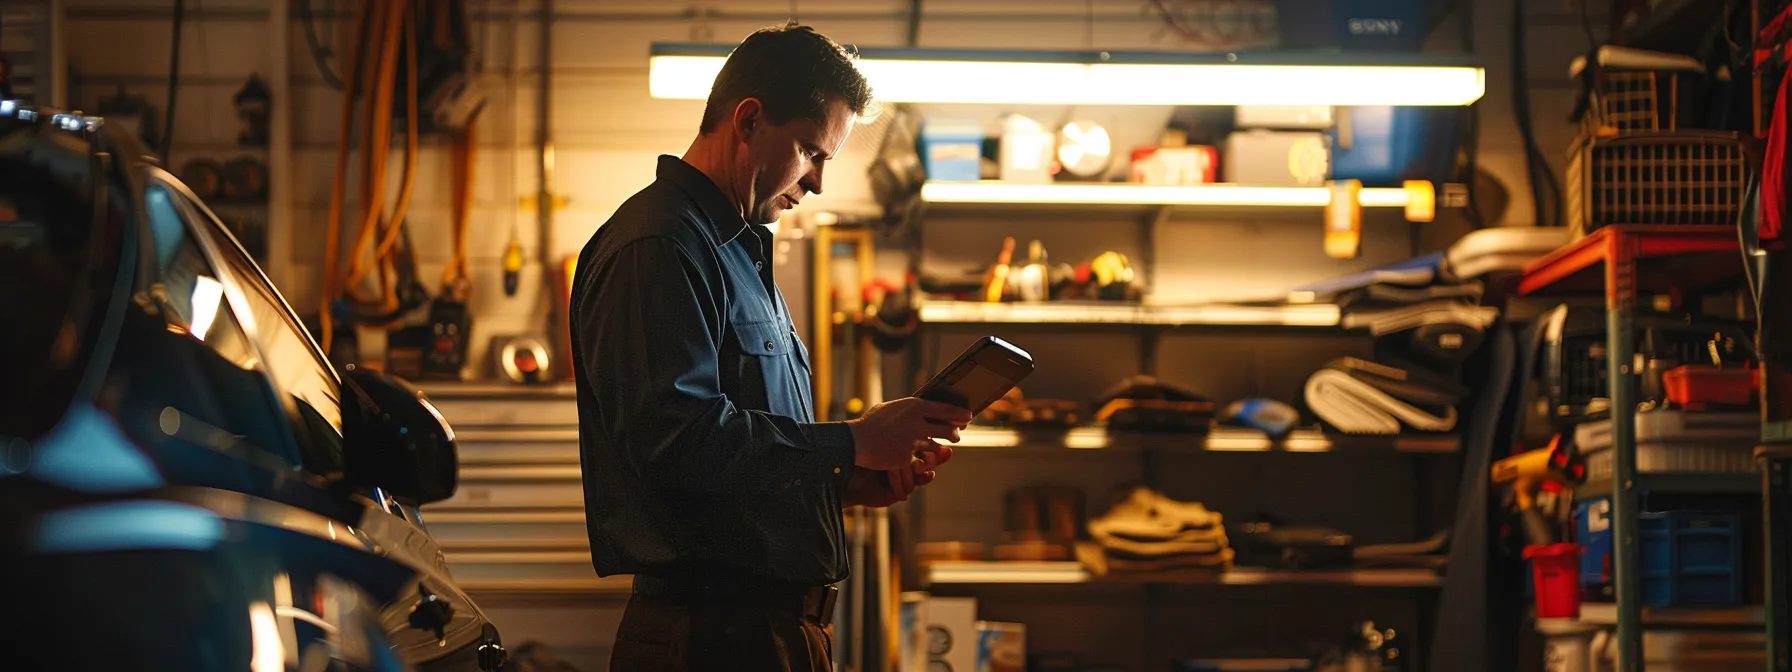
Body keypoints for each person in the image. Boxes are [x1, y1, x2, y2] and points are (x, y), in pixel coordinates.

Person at [569, 23, 975, 671]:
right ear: (750, 119)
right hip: (712, 642)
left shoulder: (740, 251)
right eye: (813, 153)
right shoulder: (660, 248)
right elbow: (678, 448)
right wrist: (851, 440)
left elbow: (737, 458)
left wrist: (836, 482)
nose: (817, 183)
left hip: (766, 637)